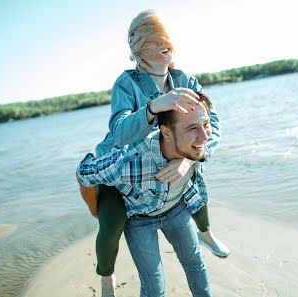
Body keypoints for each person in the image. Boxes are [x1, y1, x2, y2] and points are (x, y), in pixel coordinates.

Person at [78, 10, 228, 296]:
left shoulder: (185, 80)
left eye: (168, 38)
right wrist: (153, 107)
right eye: (157, 39)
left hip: (168, 184)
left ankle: (206, 233)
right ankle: (107, 278)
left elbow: (212, 125)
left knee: (194, 249)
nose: (166, 44)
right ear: (139, 48)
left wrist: (187, 160)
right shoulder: (126, 84)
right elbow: (119, 132)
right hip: (122, 173)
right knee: (112, 228)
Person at [77, 92, 214, 297]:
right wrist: (94, 210)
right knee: (154, 287)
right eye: (192, 128)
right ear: (166, 133)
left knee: (195, 263)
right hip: (139, 218)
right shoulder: (130, 160)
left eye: (205, 124)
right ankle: (107, 278)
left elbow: (208, 143)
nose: (204, 136)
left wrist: (186, 161)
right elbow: (84, 172)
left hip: (176, 208)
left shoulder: (198, 145)